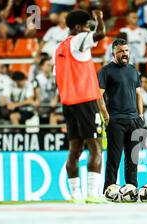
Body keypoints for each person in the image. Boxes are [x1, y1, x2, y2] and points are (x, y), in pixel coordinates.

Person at [55, 9, 109, 204]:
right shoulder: (79, 40)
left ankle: (74, 195)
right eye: (87, 25)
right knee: (95, 146)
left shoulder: (60, 47)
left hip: (68, 102)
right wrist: (100, 18)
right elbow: (101, 35)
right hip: (85, 100)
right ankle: (92, 194)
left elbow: (58, 79)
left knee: (74, 149)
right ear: (78, 27)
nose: (89, 28)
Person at [98, 39, 145, 192]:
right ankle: (109, 191)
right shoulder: (106, 71)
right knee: (114, 159)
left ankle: (132, 190)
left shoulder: (133, 70)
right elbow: (99, 96)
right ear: (113, 53)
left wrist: (141, 115)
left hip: (134, 121)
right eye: (121, 51)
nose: (124, 54)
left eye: (126, 51)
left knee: (132, 160)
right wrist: (106, 117)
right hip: (115, 121)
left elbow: (138, 94)